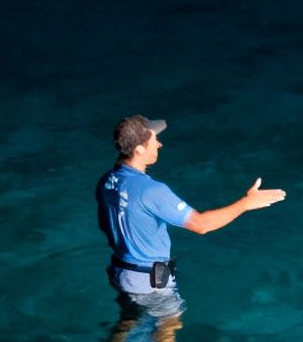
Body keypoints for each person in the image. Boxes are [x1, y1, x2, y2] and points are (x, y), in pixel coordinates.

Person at [96, 116, 287, 317]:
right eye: (154, 140)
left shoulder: (107, 181)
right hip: (148, 282)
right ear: (139, 149)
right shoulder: (152, 191)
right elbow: (201, 224)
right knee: (167, 332)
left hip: (121, 272)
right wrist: (246, 203)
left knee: (129, 321)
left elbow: (104, 225)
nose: (159, 144)